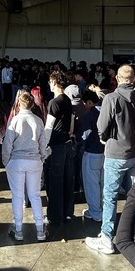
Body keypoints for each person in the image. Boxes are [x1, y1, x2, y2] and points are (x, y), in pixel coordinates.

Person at [86, 63, 135, 256]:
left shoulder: (111, 98)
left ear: (117, 78)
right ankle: (131, 236)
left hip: (115, 154)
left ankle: (107, 238)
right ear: (133, 79)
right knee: (133, 196)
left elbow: (102, 126)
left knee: (110, 197)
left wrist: (104, 137)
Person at [1, 90, 49, 242]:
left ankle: (19, 230)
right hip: (35, 160)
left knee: (17, 195)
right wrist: (42, 157)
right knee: (35, 195)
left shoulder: (14, 120)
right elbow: (43, 143)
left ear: (18, 104)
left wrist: (5, 161)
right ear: (32, 104)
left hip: (16, 160)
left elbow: (7, 143)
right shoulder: (38, 120)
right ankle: (40, 230)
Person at [43, 70, 77, 229]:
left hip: (56, 145)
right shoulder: (67, 100)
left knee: (55, 181)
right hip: (67, 143)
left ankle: (55, 216)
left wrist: (43, 145)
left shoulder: (54, 102)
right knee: (67, 179)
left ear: (55, 83)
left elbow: (49, 127)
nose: (49, 85)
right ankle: (67, 212)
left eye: (50, 82)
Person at [79, 90, 104, 224]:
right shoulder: (105, 112)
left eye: (85, 103)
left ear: (89, 102)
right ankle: (102, 209)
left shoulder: (89, 116)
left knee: (92, 185)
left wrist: (77, 138)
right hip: (105, 152)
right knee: (102, 184)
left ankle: (95, 212)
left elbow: (85, 135)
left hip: (91, 153)